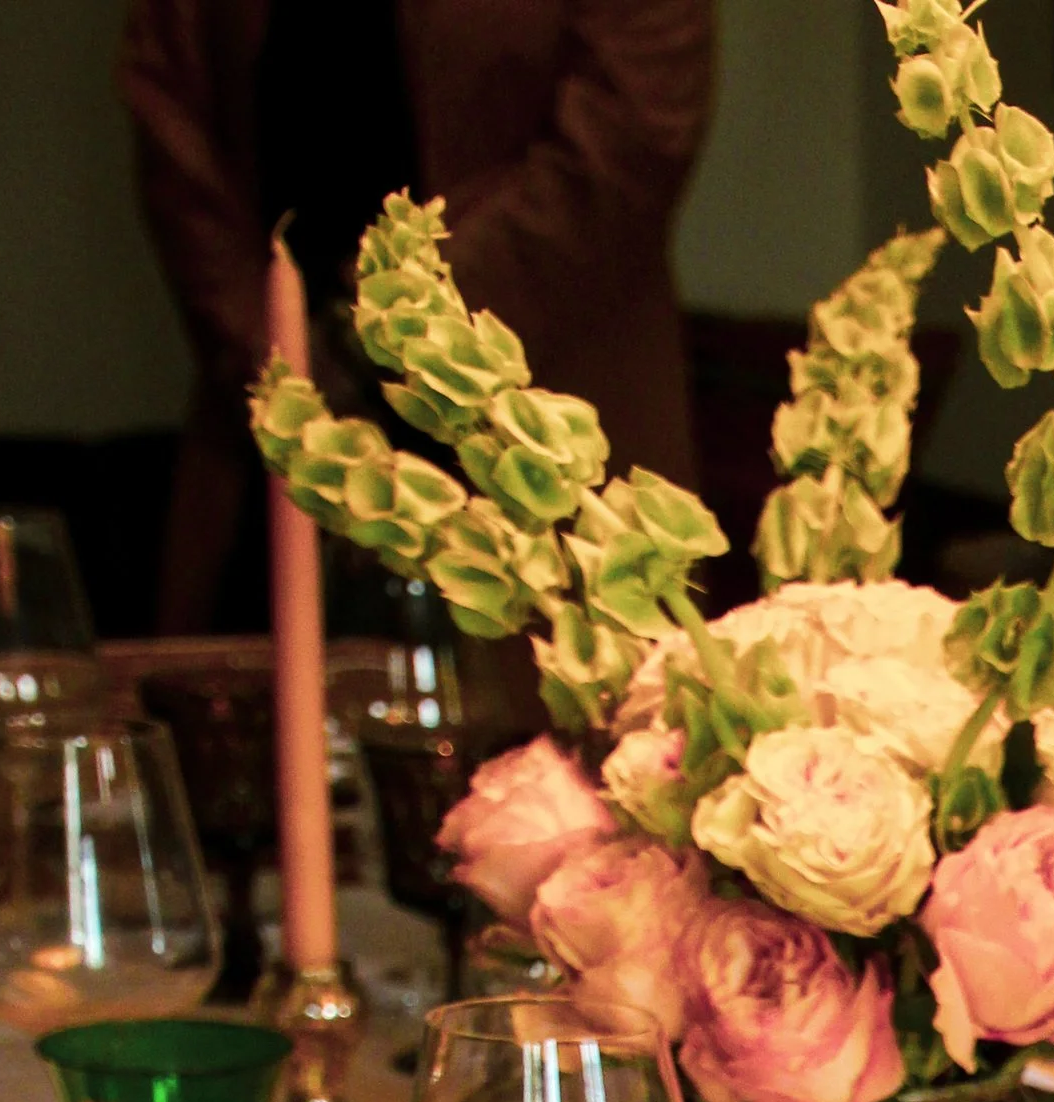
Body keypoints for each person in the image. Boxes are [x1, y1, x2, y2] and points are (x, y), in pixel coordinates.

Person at [119, 0, 713, 632]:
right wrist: (271, 351)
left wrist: (383, 330)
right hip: (271, 430)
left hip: (534, 422)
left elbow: (631, 136)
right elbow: (170, 110)